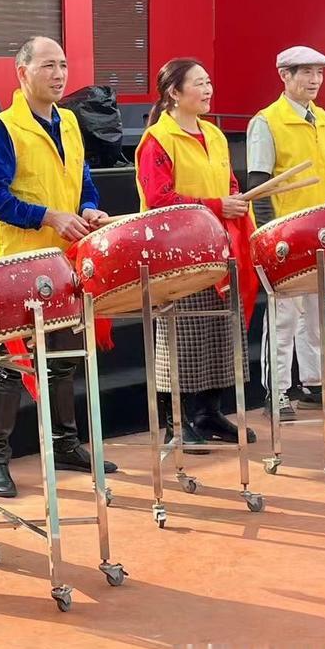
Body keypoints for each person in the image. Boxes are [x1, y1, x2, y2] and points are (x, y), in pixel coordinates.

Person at [0, 36, 118, 498]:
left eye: (63, 65)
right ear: (22, 73)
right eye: (48, 66)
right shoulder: (3, 129)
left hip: (66, 262)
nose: (59, 74)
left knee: (62, 359)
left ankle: (63, 444)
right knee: (11, 363)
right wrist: (48, 216)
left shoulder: (72, 123)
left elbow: (84, 182)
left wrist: (90, 208)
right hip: (18, 266)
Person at [135, 58, 256, 446]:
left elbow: (229, 181)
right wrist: (218, 205)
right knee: (182, 333)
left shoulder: (215, 135)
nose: (208, 91)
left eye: (209, 83)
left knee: (220, 330)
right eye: (200, 84)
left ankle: (208, 413)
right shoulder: (158, 139)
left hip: (219, 246)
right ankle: (177, 421)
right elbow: (158, 199)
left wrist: (234, 198)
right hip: (178, 254)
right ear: (174, 92)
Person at [245, 45, 325, 421]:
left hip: (321, 232)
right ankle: (278, 390)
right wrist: (272, 238)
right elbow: (259, 184)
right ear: (284, 76)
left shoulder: (323, 119)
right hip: (286, 236)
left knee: (319, 312)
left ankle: (314, 383)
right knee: (284, 316)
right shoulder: (266, 122)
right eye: (305, 72)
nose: (314, 80)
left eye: (319, 73)